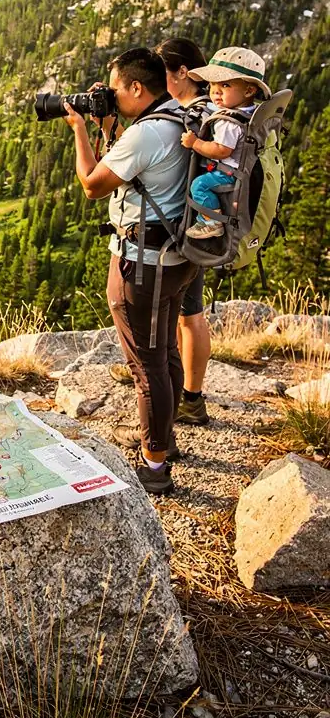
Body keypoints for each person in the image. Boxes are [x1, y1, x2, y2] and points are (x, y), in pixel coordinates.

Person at [62, 48, 196, 496]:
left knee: (147, 366)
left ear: (137, 88)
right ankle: (166, 441)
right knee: (166, 354)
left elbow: (92, 185)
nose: (111, 96)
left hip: (142, 263)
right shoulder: (179, 115)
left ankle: (154, 465)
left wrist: (80, 131)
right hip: (178, 259)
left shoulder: (145, 135)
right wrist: (107, 126)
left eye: (116, 89)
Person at [156, 38, 212, 427]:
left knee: (185, 315)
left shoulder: (193, 116)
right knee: (188, 314)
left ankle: (183, 399)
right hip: (200, 226)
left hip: (186, 231)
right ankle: (188, 394)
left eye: (164, 73)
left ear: (182, 73)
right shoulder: (210, 108)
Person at [183, 47, 270, 239]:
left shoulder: (228, 121)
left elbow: (221, 150)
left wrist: (194, 143)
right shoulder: (251, 112)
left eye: (225, 86)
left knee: (199, 185)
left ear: (249, 90)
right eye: (213, 85)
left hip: (230, 173)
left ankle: (211, 221)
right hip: (247, 169)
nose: (215, 92)